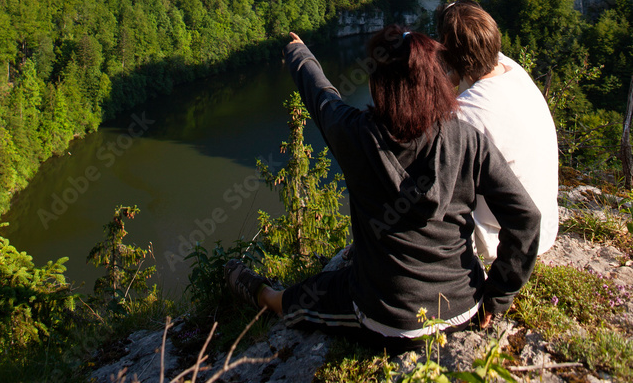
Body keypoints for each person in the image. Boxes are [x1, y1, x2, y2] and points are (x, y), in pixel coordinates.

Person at [225, 26, 541, 349]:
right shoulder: (466, 139)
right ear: (434, 81)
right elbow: (526, 218)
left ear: (380, 86)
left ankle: (266, 296)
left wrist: (297, 53)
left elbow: (321, 98)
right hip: (463, 307)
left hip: (389, 319)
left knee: (314, 292)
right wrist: (497, 296)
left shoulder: (357, 137)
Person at [436, 0, 559, 263]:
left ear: (448, 57)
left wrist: (446, 76)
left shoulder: (465, 115)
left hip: (501, 239)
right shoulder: (513, 70)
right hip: (543, 225)